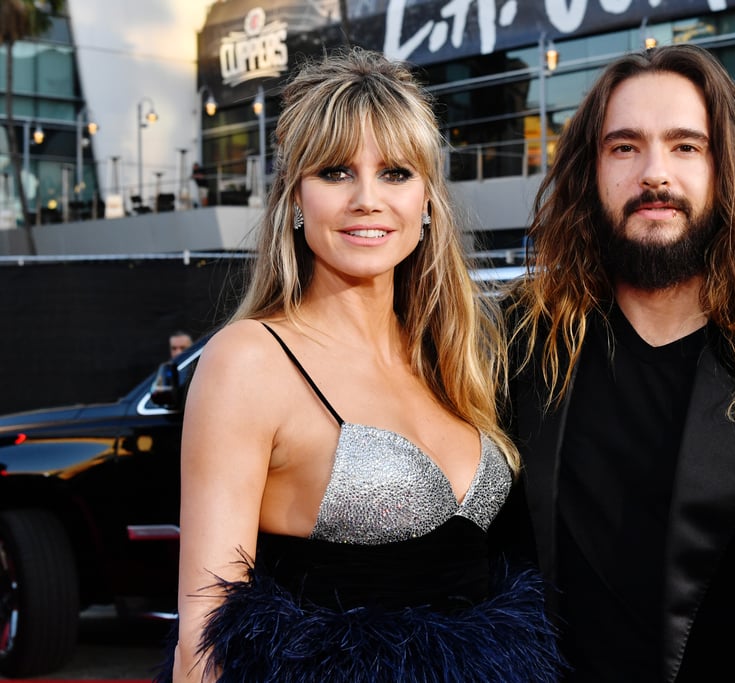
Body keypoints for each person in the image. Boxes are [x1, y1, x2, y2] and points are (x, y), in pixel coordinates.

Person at [162, 48, 562, 682]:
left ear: (429, 202)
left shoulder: (456, 355)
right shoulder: (251, 360)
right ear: (296, 199)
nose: (368, 199)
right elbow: (203, 645)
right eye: (336, 172)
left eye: (397, 173)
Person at [503, 44, 735, 681]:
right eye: (624, 147)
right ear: (589, 172)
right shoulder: (521, 346)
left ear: (724, 169)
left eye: (686, 146)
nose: (655, 173)